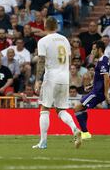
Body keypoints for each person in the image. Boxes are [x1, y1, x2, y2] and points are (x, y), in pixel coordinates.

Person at [33, 17, 82, 149]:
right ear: (56, 26)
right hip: (64, 77)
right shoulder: (65, 40)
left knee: (44, 109)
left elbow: (41, 61)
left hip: (51, 77)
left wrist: (38, 80)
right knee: (61, 109)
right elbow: (70, 59)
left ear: (45, 26)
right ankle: (74, 128)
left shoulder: (43, 41)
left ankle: (43, 142)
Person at [74, 41, 110, 140]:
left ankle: (85, 133)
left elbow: (106, 78)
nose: (92, 51)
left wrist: (106, 94)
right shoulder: (102, 60)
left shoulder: (103, 60)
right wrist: (91, 86)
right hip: (95, 90)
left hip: (97, 93)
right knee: (82, 109)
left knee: (77, 108)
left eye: (94, 49)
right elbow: (100, 78)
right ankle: (85, 132)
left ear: (99, 49)